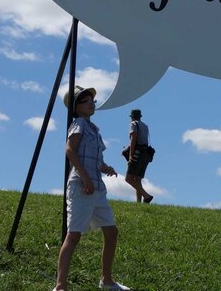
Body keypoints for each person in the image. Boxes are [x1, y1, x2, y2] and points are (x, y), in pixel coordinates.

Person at [54, 86, 129, 291]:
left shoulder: (93, 129)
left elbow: (96, 159)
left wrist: (105, 167)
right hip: (81, 186)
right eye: (85, 100)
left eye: (92, 100)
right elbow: (70, 151)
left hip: (96, 188)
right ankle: (60, 286)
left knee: (112, 232)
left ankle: (106, 280)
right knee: (74, 235)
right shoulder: (77, 124)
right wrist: (85, 178)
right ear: (76, 107)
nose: (91, 103)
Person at [124, 108, 153, 203]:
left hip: (138, 152)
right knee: (137, 180)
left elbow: (134, 138)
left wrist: (130, 155)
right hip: (146, 154)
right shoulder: (145, 126)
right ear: (140, 116)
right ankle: (138, 203)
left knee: (128, 178)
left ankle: (146, 195)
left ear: (132, 117)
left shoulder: (133, 124)